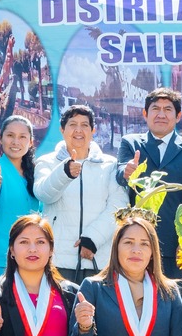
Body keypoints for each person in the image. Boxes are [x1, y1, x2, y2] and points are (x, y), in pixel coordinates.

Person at [36, 103, 128, 286]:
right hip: (58, 259)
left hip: (99, 257)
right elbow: (44, 194)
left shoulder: (110, 164)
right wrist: (64, 172)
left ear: (93, 130)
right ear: (62, 130)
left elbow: (119, 206)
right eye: (72, 124)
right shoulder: (46, 162)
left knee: (96, 313)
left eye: (85, 125)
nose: (79, 130)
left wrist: (92, 239)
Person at [118, 88, 182, 279]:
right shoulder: (131, 143)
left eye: (168, 109)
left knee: (173, 302)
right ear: (145, 114)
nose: (161, 114)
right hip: (135, 245)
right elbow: (120, 173)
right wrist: (126, 172)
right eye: (155, 108)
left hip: (174, 245)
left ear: (178, 116)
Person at [0, 114, 43, 292]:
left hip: (27, 260)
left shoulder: (35, 173)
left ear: (31, 142)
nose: (15, 142)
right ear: (1, 139)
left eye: (22, 137)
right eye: (10, 135)